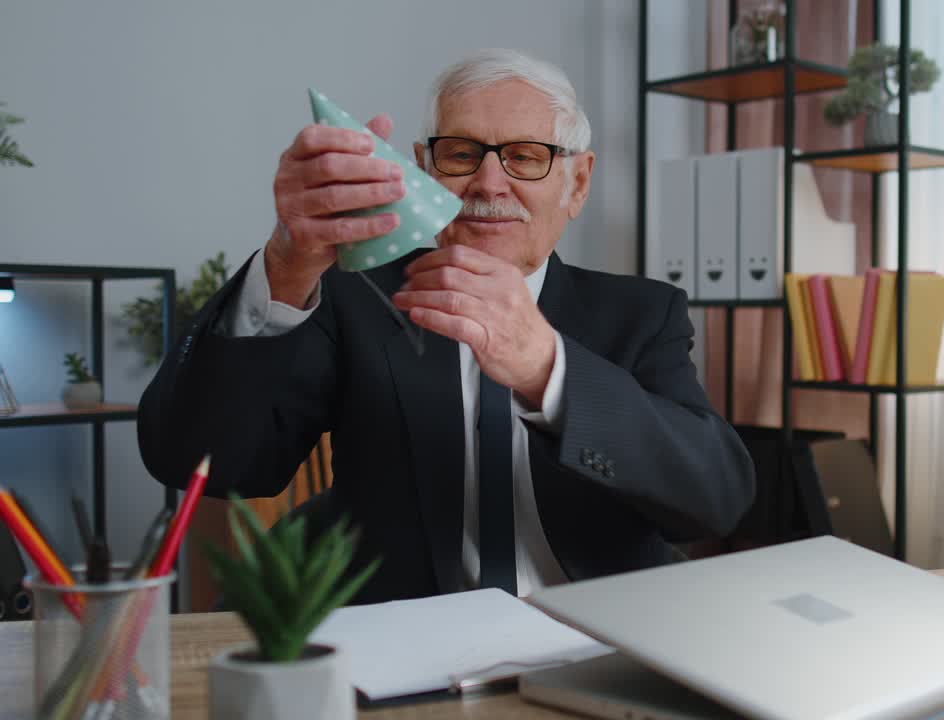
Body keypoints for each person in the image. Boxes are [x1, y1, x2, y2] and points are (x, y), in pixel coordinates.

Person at [138, 48, 755, 604]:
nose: (489, 184)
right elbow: (203, 462)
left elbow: (715, 500)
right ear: (423, 169)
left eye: (525, 157)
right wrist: (285, 262)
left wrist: (549, 370)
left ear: (578, 182)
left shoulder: (642, 314)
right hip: (406, 659)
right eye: (461, 154)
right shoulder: (351, 298)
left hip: (594, 644)